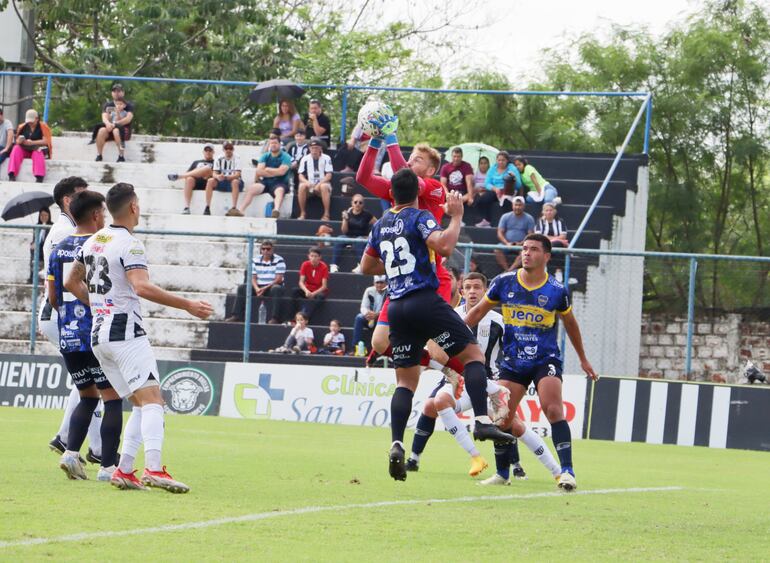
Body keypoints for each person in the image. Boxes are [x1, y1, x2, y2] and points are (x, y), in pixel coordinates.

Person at [360, 167, 514, 481]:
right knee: (473, 357)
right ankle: (482, 419)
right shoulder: (419, 216)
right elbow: (444, 246)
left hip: (398, 306)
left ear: (392, 193)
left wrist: (392, 266)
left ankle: (397, 443)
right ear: (416, 193)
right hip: (424, 300)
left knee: (405, 383)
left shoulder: (381, 225)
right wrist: (455, 217)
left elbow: (365, 266)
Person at [65, 182, 213, 492]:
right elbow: (141, 287)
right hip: (125, 332)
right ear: (133, 207)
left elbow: (70, 281)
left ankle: (124, 470)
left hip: (99, 335)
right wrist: (188, 305)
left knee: (140, 401)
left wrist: (98, 306)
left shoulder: (92, 241)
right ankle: (155, 468)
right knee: (154, 399)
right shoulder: (131, 244)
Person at [465, 233, 599, 491]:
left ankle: (567, 472)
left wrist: (583, 359)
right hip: (513, 361)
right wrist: (450, 335)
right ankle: (503, 473)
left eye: (534, 249)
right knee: (501, 417)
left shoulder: (557, 291)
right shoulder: (503, 282)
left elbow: (571, 324)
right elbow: (476, 313)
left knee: (553, 410)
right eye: (524, 249)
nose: (526, 253)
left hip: (544, 359)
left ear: (546, 256)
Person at [47, 190, 123, 482]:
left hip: (68, 334)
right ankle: (107, 467)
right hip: (97, 332)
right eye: (102, 212)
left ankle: (70, 455)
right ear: (94, 215)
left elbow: (53, 296)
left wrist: (69, 317)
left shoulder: (59, 247)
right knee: (112, 398)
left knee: (87, 397)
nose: (104, 217)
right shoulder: (100, 245)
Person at [43, 177, 102, 461]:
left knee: (82, 382)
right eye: (82, 195)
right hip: (68, 310)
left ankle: (66, 438)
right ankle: (97, 449)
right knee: (97, 383)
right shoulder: (71, 232)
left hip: (59, 309)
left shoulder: (62, 230)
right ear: (69, 200)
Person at [225, 240, 286, 324]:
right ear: (261, 250)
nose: (265, 251)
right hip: (258, 286)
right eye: (263, 249)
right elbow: (252, 277)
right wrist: (257, 288)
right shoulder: (255, 260)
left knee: (277, 289)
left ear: (272, 250)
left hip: (272, 286)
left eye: (268, 249)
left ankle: (275, 318)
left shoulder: (279, 260)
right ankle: (237, 316)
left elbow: (278, 279)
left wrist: (264, 288)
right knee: (242, 288)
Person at [238, 137, 291, 218]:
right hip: (266, 182)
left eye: (275, 143)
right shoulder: (265, 156)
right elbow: (259, 171)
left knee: (280, 191)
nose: (273, 145)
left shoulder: (286, 156)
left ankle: (276, 210)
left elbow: (282, 172)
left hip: (280, 182)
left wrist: (268, 169)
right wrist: (275, 172)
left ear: (279, 144)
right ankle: (241, 211)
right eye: (271, 143)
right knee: (252, 188)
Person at [330, 194, 375, 273]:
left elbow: (377, 225)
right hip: (348, 236)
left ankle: (361, 265)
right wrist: (345, 219)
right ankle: (334, 265)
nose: (357, 204)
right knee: (339, 239)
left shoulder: (367, 215)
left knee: (359, 241)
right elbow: (344, 231)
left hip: (361, 237)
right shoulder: (348, 213)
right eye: (355, 202)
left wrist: (369, 236)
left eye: (360, 202)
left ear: (363, 204)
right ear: (352, 203)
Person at [167, 144, 216, 214]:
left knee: (207, 168)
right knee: (189, 178)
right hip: (196, 182)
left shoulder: (216, 162)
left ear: (213, 152)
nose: (208, 152)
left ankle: (179, 176)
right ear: (203, 152)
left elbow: (216, 174)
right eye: (206, 150)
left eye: (210, 150)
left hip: (208, 182)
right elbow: (188, 174)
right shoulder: (196, 162)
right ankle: (187, 207)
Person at [7, 109, 52, 183]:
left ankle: (39, 177)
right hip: (25, 148)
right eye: (28, 122)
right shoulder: (23, 126)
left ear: (37, 119)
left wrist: (32, 143)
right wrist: (19, 141)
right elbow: (17, 140)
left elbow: (46, 141)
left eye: (32, 121)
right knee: (16, 149)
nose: (30, 123)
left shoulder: (43, 127)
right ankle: (11, 174)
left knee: (38, 152)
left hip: (37, 148)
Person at [479, 151, 522, 225]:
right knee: (484, 199)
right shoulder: (492, 168)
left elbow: (519, 185)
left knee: (506, 202)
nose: (501, 162)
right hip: (495, 190)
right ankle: (487, 220)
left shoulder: (512, 168)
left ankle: (507, 223)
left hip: (508, 191)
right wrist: (495, 188)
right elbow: (487, 183)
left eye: (503, 160)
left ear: (507, 161)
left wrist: (514, 177)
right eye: (499, 160)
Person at [94, 84, 134, 162]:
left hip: (123, 130)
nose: (116, 93)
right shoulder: (108, 105)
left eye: (119, 91)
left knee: (116, 131)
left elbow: (128, 119)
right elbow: (104, 117)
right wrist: (108, 124)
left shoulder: (128, 105)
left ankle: (121, 156)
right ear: (112, 93)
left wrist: (115, 124)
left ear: (123, 93)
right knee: (101, 130)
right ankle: (99, 155)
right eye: (114, 91)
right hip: (110, 128)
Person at [495, 196, 535, 271]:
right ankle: (506, 269)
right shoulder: (505, 216)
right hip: (507, 244)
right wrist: (507, 243)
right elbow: (500, 232)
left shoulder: (529, 218)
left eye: (520, 205)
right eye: (516, 205)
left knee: (525, 252)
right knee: (497, 249)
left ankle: (510, 270)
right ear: (512, 205)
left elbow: (530, 235)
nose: (517, 207)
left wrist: (521, 243)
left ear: (523, 206)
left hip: (522, 245)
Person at [290, 247, 329, 322]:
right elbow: (301, 282)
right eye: (312, 256)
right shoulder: (305, 264)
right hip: (307, 289)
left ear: (320, 257)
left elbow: (324, 286)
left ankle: (305, 317)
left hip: (318, 291)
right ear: (308, 256)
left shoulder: (324, 267)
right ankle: (294, 316)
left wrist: (313, 293)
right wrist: (306, 291)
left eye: (316, 256)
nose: (313, 258)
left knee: (320, 296)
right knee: (294, 291)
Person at [204, 141, 243, 217]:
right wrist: (218, 176)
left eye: (230, 148)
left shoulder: (237, 158)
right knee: (210, 181)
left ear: (233, 149)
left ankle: (234, 208)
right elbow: (214, 173)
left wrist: (228, 177)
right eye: (226, 148)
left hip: (234, 182)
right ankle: (207, 207)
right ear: (223, 149)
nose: (228, 150)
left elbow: (238, 174)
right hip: (222, 181)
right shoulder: (218, 158)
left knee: (235, 181)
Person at [297, 139, 333, 220]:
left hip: (322, 185)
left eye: (316, 148)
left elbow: (329, 175)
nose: (314, 150)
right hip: (310, 185)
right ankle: (302, 213)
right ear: (309, 149)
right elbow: (300, 175)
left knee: (324, 186)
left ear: (320, 148)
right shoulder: (305, 159)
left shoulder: (326, 158)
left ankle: (326, 214)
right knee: (302, 186)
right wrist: (307, 182)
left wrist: (319, 184)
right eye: (312, 148)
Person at [351, 275, 388, 354]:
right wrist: (367, 313)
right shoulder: (369, 290)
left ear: (385, 283)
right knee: (359, 318)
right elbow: (363, 307)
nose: (379, 285)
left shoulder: (388, 292)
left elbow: (389, 308)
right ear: (374, 283)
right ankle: (356, 347)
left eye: (381, 283)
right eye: (377, 283)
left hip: (382, 318)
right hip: (370, 318)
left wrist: (377, 315)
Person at [470, 156, 498, 226]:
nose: (483, 165)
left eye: (485, 163)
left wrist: (485, 190)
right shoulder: (475, 174)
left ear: (488, 164)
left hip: (489, 193)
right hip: (477, 193)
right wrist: (477, 190)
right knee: (476, 198)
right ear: (479, 165)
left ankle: (486, 221)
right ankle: (478, 220)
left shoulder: (491, 174)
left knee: (485, 199)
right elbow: (472, 187)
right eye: (481, 163)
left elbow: (493, 185)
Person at [29, 207, 53, 284]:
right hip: (37, 252)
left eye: (46, 215)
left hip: (45, 251)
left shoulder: (52, 226)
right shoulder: (37, 226)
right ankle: (32, 278)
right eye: (41, 215)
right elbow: (34, 239)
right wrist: (33, 244)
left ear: (49, 216)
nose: (44, 217)